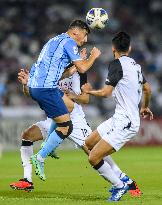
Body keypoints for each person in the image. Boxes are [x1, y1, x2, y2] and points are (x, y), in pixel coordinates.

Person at [10, 67, 141, 198]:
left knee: (94, 151)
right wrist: (26, 84)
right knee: (27, 135)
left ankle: (124, 179)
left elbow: (85, 99)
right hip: (55, 118)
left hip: (75, 120)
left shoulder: (80, 72)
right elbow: (31, 93)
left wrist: (71, 95)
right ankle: (27, 180)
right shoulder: (49, 69)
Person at [81, 31, 153, 202]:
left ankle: (119, 186)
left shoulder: (116, 64)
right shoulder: (135, 66)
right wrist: (145, 107)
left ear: (113, 48)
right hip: (120, 118)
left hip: (125, 122)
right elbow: (148, 89)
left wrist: (89, 91)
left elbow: (106, 93)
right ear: (129, 48)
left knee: (93, 157)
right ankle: (123, 178)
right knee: (88, 143)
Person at [26, 19, 101, 180]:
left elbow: (62, 71)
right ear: (75, 32)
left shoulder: (55, 39)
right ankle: (40, 157)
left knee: (69, 107)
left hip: (38, 86)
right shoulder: (69, 43)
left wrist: (74, 64)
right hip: (46, 88)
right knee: (66, 127)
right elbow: (82, 68)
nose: (85, 40)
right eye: (85, 35)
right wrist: (93, 57)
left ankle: (49, 145)